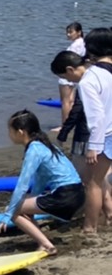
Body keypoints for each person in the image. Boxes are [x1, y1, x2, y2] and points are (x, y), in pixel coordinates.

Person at [0, 110, 84, 255]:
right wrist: (31, 198)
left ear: (20, 132)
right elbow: (42, 179)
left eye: (10, 130)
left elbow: (22, 185)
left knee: (12, 210)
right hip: (78, 194)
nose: (8, 134)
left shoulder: (34, 149)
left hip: (65, 197)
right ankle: (42, 240)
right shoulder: (46, 145)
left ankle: (47, 246)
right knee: (23, 204)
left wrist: (8, 215)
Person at [75, 28, 112, 234]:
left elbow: (96, 116)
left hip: (106, 136)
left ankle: (90, 227)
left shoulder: (91, 77)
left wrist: (94, 147)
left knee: (94, 183)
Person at [51, 50, 90, 181]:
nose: (68, 81)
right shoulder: (101, 73)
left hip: (85, 136)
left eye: (66, 77)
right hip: (106, 134)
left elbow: (77, 111)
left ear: (70, 70)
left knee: (80, 177)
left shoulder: (85, 83)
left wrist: (63, 133)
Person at [60, 21, 86, 123]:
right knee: (71, 101)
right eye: (67, 32)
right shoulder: (83, 43)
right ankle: (71, 123)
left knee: (65, 101)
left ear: (79, 32)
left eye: (71, 32)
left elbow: (69, 60)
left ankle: (64, 124)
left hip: (68, 75)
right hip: (75, 75)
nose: (68, 34)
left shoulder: (76, 45)